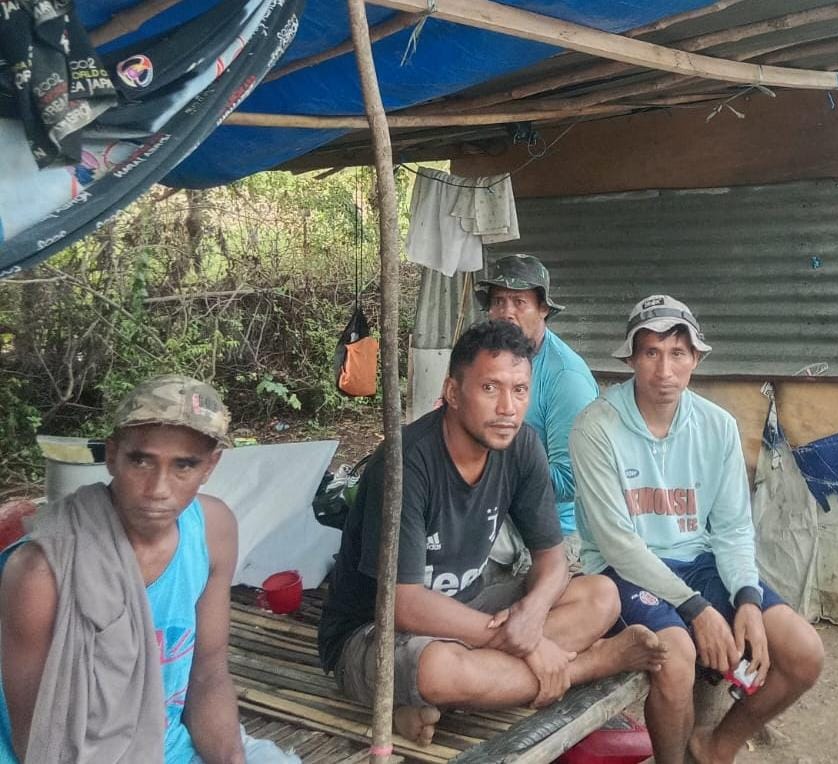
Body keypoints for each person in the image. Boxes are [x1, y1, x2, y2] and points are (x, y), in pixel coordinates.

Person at [317, 320, 667, 746]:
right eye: (490, 388)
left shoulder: (522, 447)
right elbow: (403, 605)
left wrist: (533, 612)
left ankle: (442, 696)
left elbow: (552, 560)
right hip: (374, 630)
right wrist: (526, 644)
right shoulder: (405, 463)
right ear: (452, 393)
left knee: (601, 596)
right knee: (440, 669)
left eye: (519, 390)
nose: (508, 408)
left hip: (468, 607)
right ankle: (583, 667)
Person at [570, 296, 824, 764]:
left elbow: (732, 528)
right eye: (651, 353)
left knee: (804, 652)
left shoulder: (717, 426)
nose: (664, 370)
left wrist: (747, 598)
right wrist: (698, 610)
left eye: (678, 353)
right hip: (622, 570)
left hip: (698, 561)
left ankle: (713, 749)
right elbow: (617, 543)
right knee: (675, 656)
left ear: (697, 358)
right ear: (630, 359)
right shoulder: (596, 427)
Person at [0, 375, 261, 763]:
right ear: (112, 456)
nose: (158, 489)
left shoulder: (212, 532)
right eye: (141, 460)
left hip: (166, 745)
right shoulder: (41, 571)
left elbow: (208, 674)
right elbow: (38, 739)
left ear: (210, 466)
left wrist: (232, 759)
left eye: (184, 465)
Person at [476, 254, 599, 568]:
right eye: (499, 301)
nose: (507, 312)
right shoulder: (481, 358)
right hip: (493, 511)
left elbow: (571, 481)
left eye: (519, 302)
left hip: (552, 533)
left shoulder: (566, 378)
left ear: (543, 309)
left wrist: (491, 470)